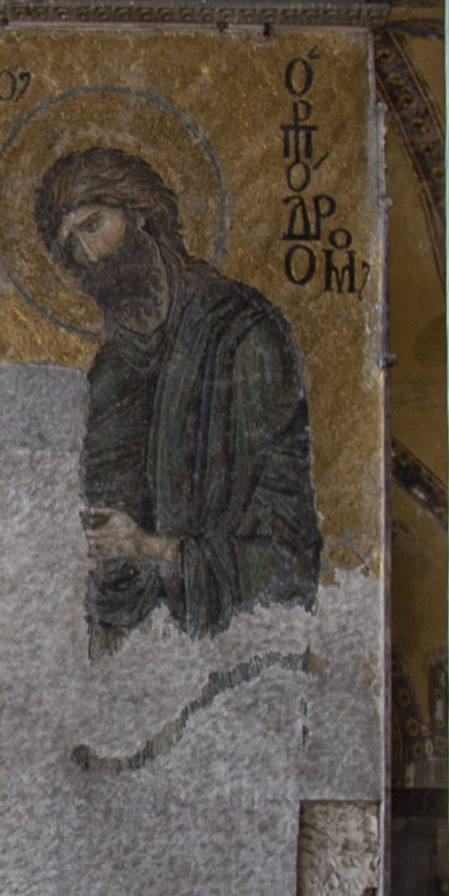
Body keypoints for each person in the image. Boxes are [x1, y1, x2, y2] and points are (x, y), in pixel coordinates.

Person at [35, 146, 321, 652]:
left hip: (248, 648)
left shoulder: (244, 338)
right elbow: (111, 550)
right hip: (151, 663)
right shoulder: (112, 375)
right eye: (71, 245)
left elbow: (291, 562)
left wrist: (156, 550)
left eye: (94, 224)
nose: (90, 256)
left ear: (143, 214)